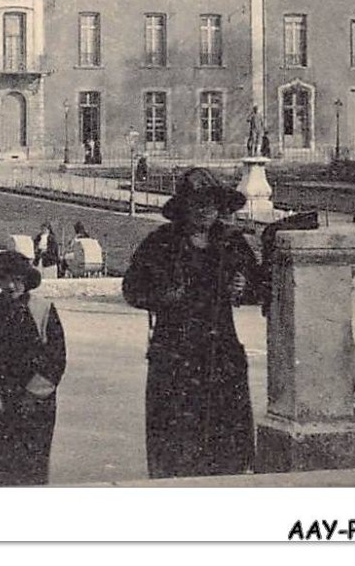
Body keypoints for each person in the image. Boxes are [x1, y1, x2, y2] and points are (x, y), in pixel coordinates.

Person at [121, 167, 263, 478]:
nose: (205, 210)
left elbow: (260, 286)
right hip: (175, 355)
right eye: (197, 203)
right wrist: (165, 295)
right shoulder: (161, 243)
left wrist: (245, 289)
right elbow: (133, 289)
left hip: (220, 354)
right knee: (177, 444)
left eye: (211, 203)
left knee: (225, 444)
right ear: (184, 207)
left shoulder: (231, 242)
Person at [0, 251, 66, 485]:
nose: (11, 285)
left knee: (33, 467)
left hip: (36, 404)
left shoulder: (43, 309)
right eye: (5, 279)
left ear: (27, 280)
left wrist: (33, 396)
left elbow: (56, 356)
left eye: (18, 279)